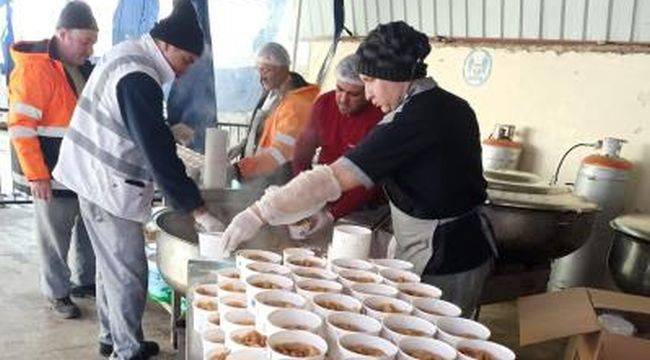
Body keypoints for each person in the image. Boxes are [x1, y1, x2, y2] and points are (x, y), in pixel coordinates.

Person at [219, 21, 496, 316]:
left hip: (444, 255)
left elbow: (333, 177)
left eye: (369, 81)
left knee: (434, 338)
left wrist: (259, 212)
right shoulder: (452, 105)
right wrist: (323, 213)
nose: (368, 94)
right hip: (462, 247)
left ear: (393, 76)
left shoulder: (412, 121)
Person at [53, 1, 223, 359]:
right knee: (129, 274)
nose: (184, 71)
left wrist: (163, 130)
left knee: (111, 269)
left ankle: (112, 337)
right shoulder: (139, 75)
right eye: (186, 61)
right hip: (107, 185)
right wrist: (196, 207)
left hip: (91, 176)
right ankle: (127, 352)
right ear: (166, 46)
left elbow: (139, 125)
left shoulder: (130, 54)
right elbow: (158, 153)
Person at [7, 1, 98, 319]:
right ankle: (57, 293)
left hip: (82, 173)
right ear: (62, 34)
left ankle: (86, 282)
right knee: (54, 238)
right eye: (85, 41)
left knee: (88, 230)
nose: (89, 48)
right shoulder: (34, 70)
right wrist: (38, 175)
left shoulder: (85, 68)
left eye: (92, 42)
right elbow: (21, 129)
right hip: (50, 172)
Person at [289, 54, 384, 238]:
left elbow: (368, 179)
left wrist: (332, 214)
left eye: (353, 94)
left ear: (368, 91)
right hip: (326, 193)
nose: (342, 99)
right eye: (339, 89)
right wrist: (305, 192)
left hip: (366, 208)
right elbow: (302, 153)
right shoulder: (324, 104)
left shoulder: (380, 115)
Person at [231, 42, 320, 184]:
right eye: (258, 70)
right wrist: (245, 144)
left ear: (283, 68)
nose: (261, 77)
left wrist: (241, 169)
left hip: (280, 181)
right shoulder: (272, 94)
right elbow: (262, 129)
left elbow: (283, 152)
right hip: (262, 176)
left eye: (266, 70)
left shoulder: (297, 105)